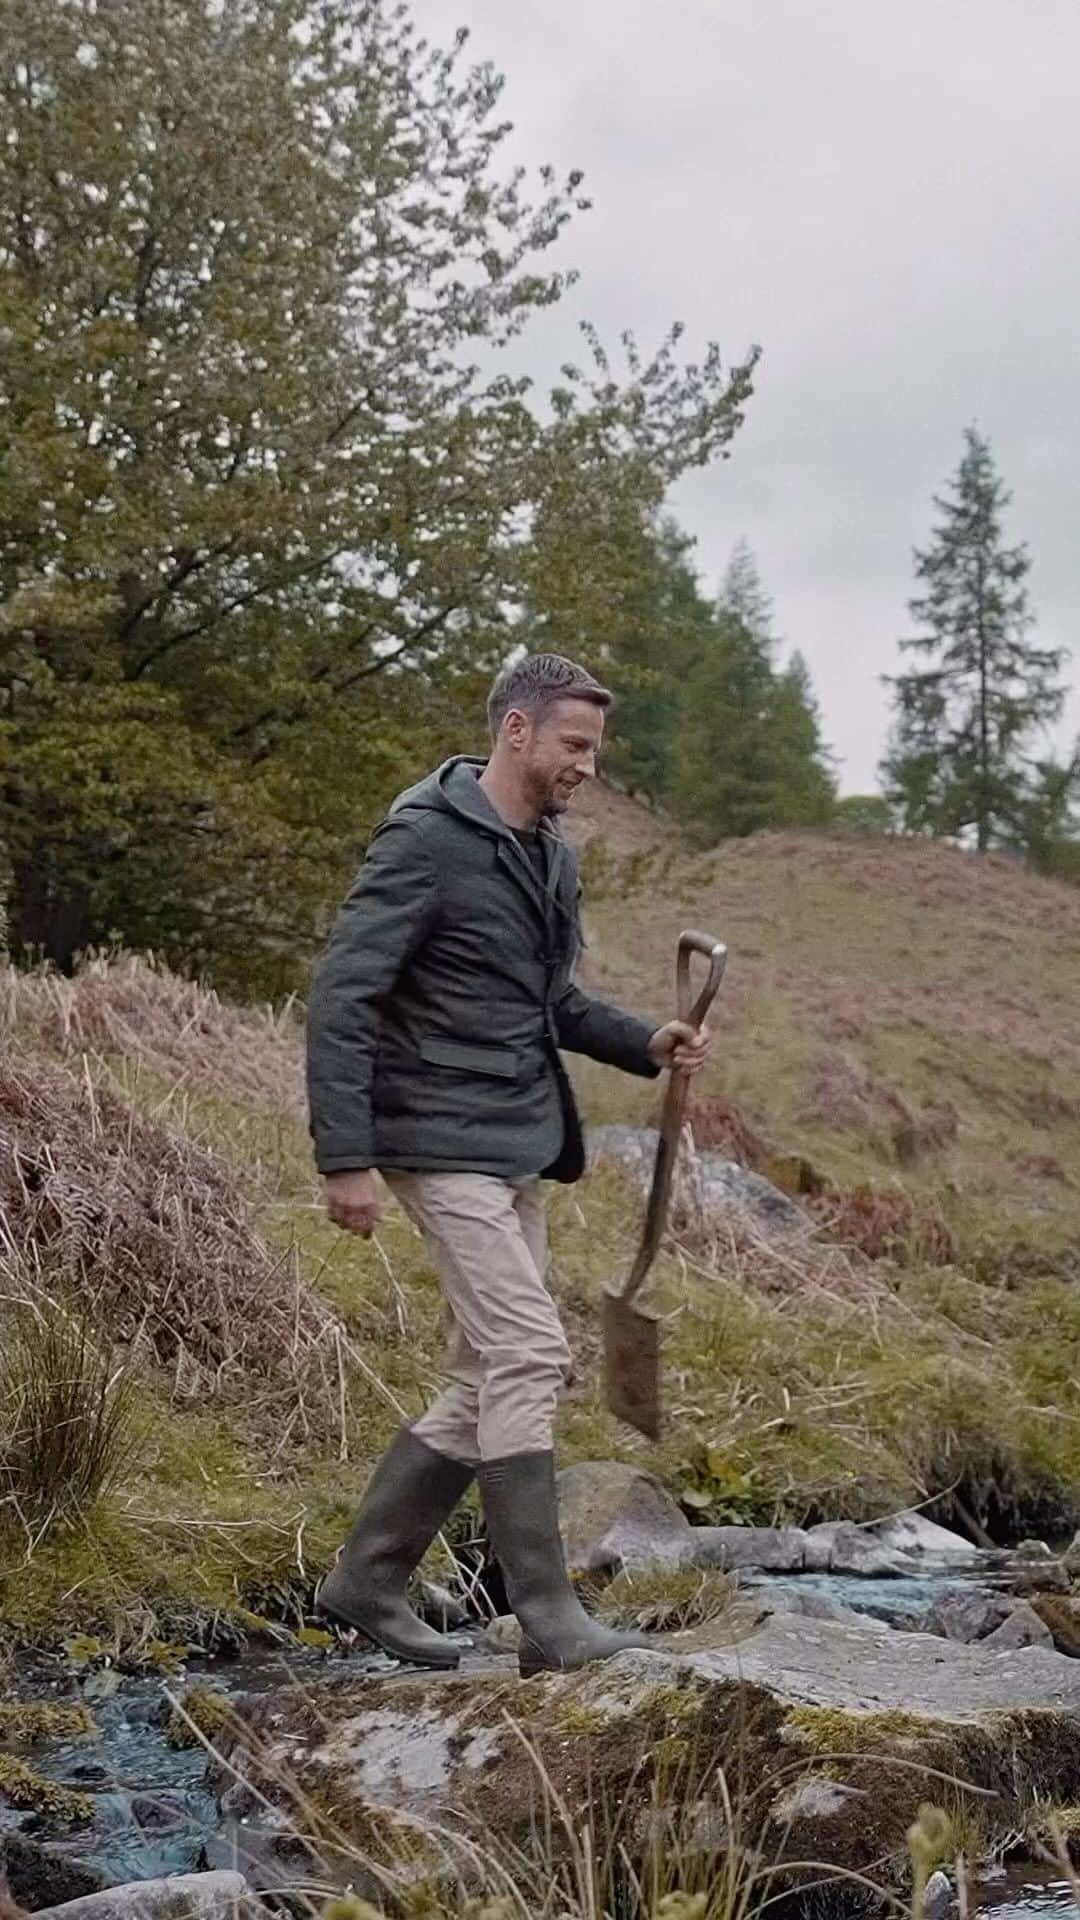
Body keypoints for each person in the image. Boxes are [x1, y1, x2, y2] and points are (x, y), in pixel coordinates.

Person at [305, 652, 711, 1675]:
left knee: (488, 1370)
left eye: (596, 750)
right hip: (434, 1138)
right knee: (531, 1352)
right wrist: (343, 1158)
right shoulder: (425, 841)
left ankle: (368, 1579)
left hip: (515, 1136)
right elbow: (345, 997)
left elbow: (555, 1004)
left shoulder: (550, 856)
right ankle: (547, 1613)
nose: (588, 767)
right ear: (517, 731)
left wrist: (643, 1041)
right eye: (576, 745)